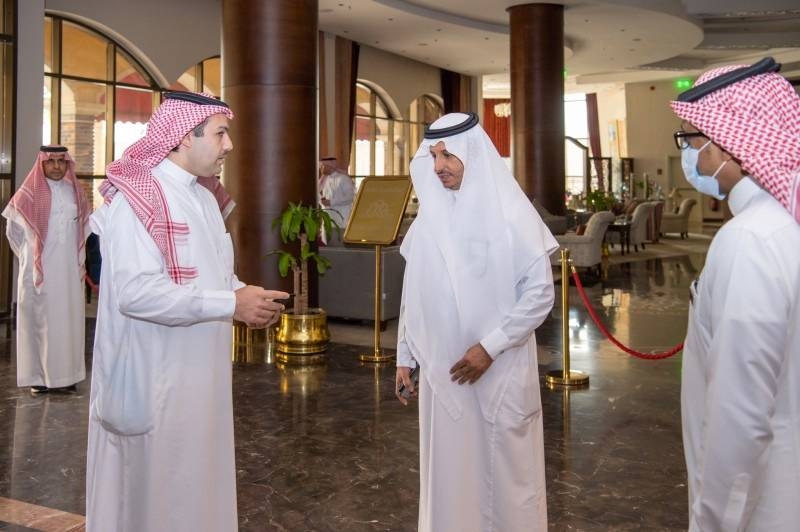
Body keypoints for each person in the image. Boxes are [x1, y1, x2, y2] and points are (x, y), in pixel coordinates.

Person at [85, 91, 288, 532]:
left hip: (200, 377)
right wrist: (229, 302)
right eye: (220, 133)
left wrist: (244, 297)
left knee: (196, 483)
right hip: (152, 379)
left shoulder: (202, 198)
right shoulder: (136, 201)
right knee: (156, 494)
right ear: (180, 138)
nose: (229, 145)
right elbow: (136, 293)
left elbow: (213, 276)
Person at [395, 112, 558, 532]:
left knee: (504, 477)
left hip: (497, 370)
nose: (438, 166)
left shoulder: (511, 216)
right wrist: (404, 355)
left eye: (448, 155)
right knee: (449, 472)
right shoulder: (429, 221)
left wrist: (490, 347)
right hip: (444, 374)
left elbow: (540, 294)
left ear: (473, 153)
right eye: (432, 156)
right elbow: (414, 292)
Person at [671, 57, 800, 531]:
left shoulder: (751, 240)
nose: (693, 157)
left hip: (764, 504)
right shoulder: (783, 224)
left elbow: (740, 415)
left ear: (729, 143)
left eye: (692, 140)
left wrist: (712, 521)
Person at [2, 145, 90, 394]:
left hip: (69, 275)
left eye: (61, 162)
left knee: (68, 322)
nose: (57, 167)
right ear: (41, 164)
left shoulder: (76, 193)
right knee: (39, 323)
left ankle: (67, 376)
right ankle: (38, 377)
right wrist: (32, 260)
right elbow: (14, 234)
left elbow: (85, 230)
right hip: (38, 273)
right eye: (51, 162)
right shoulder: (27, 195)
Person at [318, 156, 355, 228]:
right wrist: (322, 201)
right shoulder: (324, 179)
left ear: (330, 166)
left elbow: (350, 197)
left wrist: (331, 202)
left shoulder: (343, 178)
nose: (321, 169)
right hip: (328, 218)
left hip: (342, 218)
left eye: (322, 166)